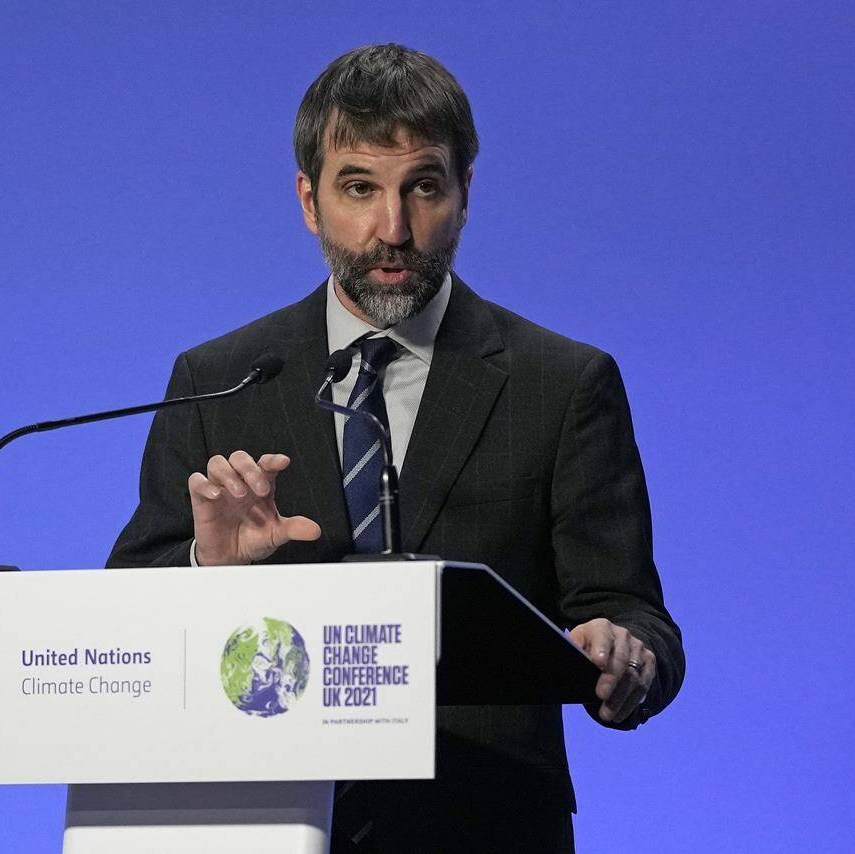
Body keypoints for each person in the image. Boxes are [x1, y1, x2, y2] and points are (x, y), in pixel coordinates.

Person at [108, 43, 684, 853]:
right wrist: (210, 577)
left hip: (488, 822)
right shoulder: (220, 379)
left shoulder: (562, 383)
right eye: (358, 188)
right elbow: (125, 619)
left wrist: (629, 656)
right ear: (309, 201)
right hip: (265, 815)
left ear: (465, 192)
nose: (394, 229)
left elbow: (632, 614)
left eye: (423, 186)